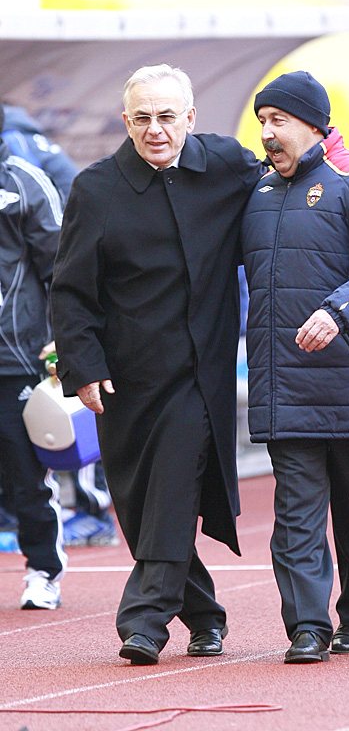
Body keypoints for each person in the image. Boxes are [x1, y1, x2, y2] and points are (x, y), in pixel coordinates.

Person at [51, 64, 265, 665]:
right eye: (142, 118)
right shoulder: (96, 189)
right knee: (144, 504)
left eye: (167, 117)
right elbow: (71, 290)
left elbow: (290, 183)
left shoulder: (228, 166)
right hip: (125, 378)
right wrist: (82, 365)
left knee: (172, 484)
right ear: (126, 121)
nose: (155, 130)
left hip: (201, 376)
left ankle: (143, 621)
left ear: (191, 118)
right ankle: (205, 617)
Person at [241, 71, 349, 663]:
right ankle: (307, 628)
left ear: (316, 125)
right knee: (295, 517)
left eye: (279, 120)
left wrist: (337, 310)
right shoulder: (257, 193)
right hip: (286, 385)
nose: (267, 133)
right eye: (262, 121)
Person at [1, 102, 119, 547]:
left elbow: (52, 245)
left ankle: (94, 512)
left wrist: (58, 327)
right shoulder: (23, 137)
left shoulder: (16, 154)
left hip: (78, 257)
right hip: (69, 254)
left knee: (74, 395)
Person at [0, 99, 67, 609]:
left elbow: (61, 267)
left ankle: (43, 570)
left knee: (25, 476)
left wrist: (63, 336)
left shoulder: (22, 180)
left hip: (15, 359)